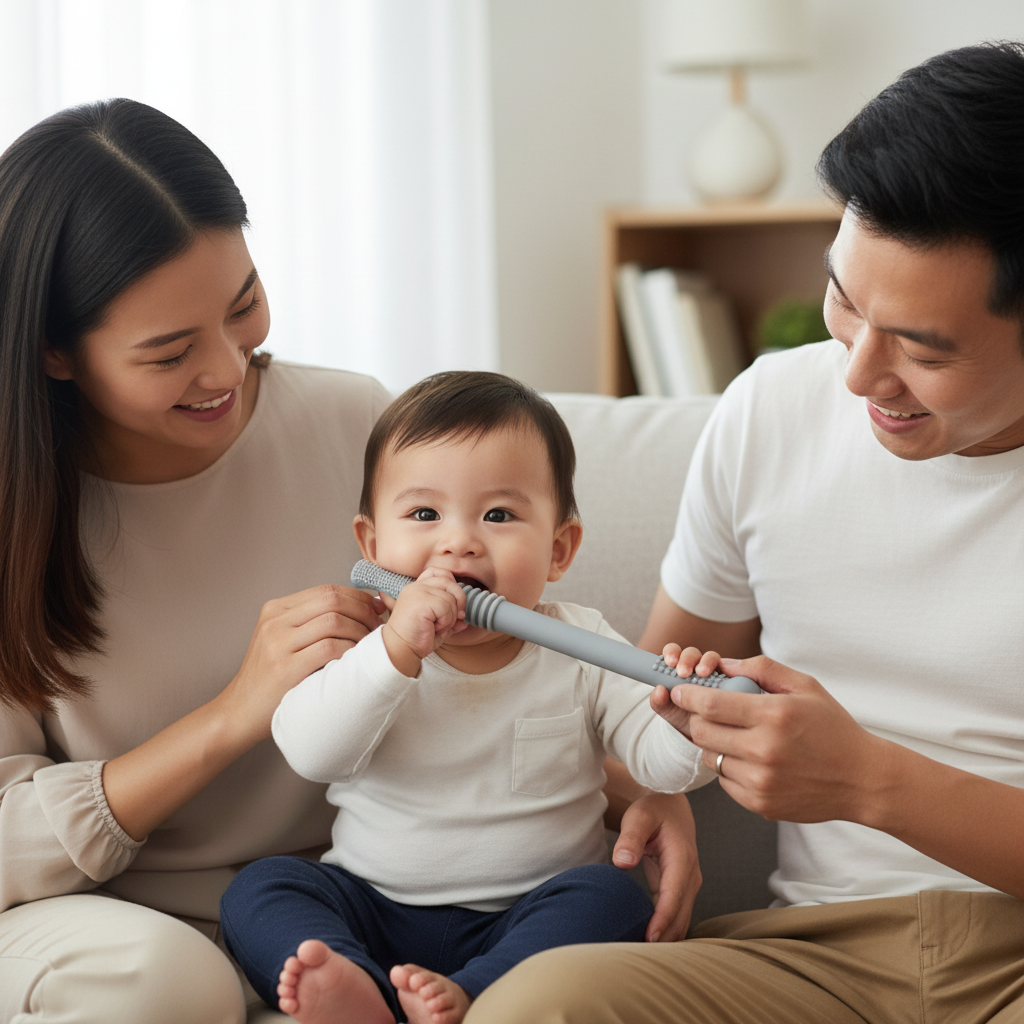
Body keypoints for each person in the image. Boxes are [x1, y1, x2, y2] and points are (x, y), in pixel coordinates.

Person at [0, 101, 702, 1024]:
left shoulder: (356, 426)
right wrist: (233, 714)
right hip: (104, 913)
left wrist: (651, 782)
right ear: (54, 351)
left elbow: (509, 701)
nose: (225, 367)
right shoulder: (17, 512)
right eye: (170, 351)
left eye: (243, 304)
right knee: (166, 984)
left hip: (357, 892)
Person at [462, 41, 1024, 1024]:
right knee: (539, 1005)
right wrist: (653, 771)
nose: (854, 378)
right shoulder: (771, 409)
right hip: (812, 963)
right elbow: (648, 697)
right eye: (845, 302)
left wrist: (867, 780)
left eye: (923, 350)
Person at [218, 371, 716, 1024]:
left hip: (528, 912)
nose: (459, 541)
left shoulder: (581, 643)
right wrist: (397, 649)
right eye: (424, 515)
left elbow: (658, 768)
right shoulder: (368, 644)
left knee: (610, 897)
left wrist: (685, 725)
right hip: (371, 902)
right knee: (260, 890)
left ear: (559, 550)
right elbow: (312, 752)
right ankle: (356, 991)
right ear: (372, 546)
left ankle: (470, 992)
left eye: (500, 515)